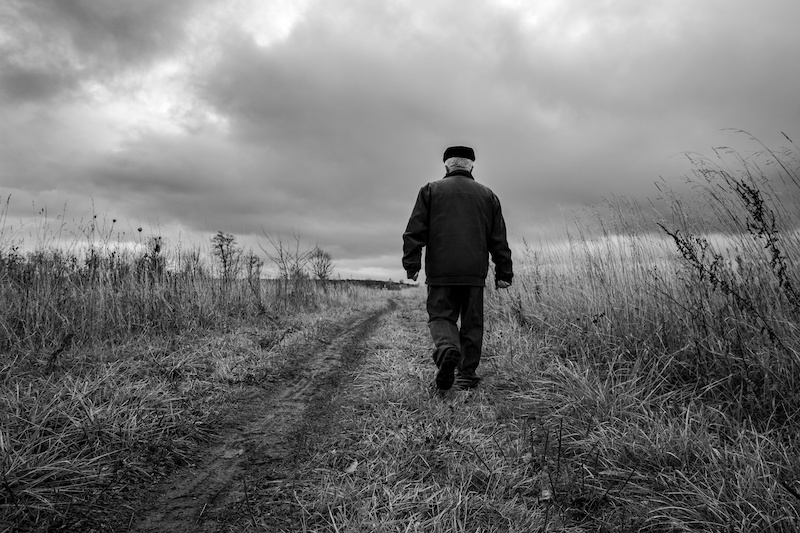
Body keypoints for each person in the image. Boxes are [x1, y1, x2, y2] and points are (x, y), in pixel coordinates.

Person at [402, 145, 513, 391]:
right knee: (472, 323)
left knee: (441, 316)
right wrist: (504, 273)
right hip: (474, 272)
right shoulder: (488, 196)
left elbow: (414, 232)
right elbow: (498, 240)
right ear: (471, 166)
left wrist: (412, 265)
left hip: (441, 271)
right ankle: (466, 375)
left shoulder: (430, 191)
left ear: (446, 166)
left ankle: (447, 350)